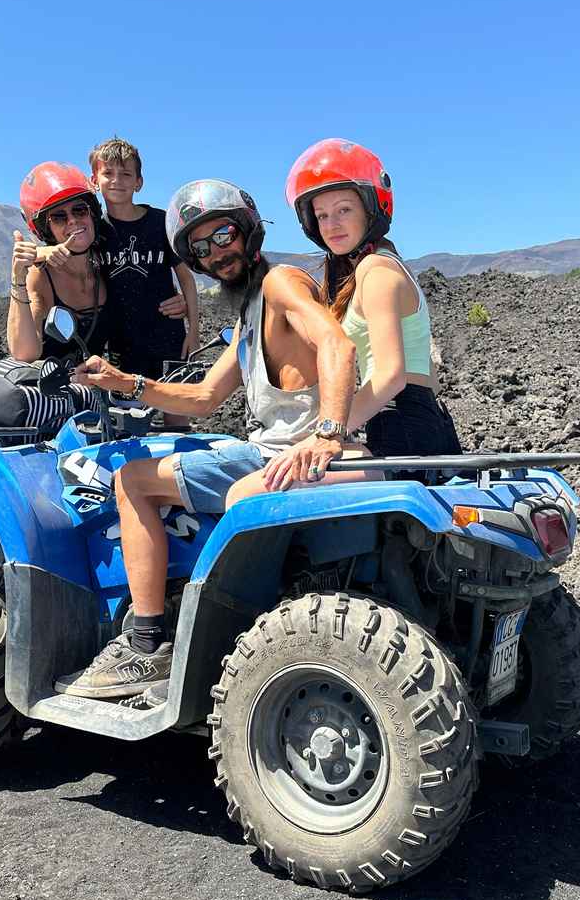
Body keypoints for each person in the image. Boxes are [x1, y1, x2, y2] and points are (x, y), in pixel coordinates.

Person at [54, 179, 361, 698]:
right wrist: (124, 382)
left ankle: (145, 643)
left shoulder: (282, 283)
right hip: (273, 446)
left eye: (222, 235)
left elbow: (337, 345)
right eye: (200, 247)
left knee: (132, 482)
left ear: (247, 231)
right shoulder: (250, 312)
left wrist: (328, 434)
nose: (216, 253)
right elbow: (201, 399)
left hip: (285, 451)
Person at [230, 138, 461, 502]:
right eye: (322, 215)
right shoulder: (363, 271)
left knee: (246, 495)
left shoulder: (378, 271)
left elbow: (390, 376)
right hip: (397, 427)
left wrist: (327, 434)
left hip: (404, 433)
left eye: (343, 210)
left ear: (371, 210)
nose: (332, 224)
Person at [89, 138, 200, 426]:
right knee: (129, 426)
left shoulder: (160, 222)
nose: (117, 181)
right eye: (108, 173)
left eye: (126, 174)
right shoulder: (94, 232)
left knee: (178, 422)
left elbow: (186, 278)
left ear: (139, 182)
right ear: (94, 180)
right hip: (121, 343)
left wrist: (193, 329)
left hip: (168, 337)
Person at [8, 161, 111, 362]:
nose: (72, 220)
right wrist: (18, 277)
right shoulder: (41, 276)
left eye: (80, 210)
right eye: (58, 217)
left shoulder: (108, 259)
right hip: (54, 390)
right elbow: (24, 353)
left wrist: (180, 303)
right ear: (46, 230)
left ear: (93, 213)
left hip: (102, 386)